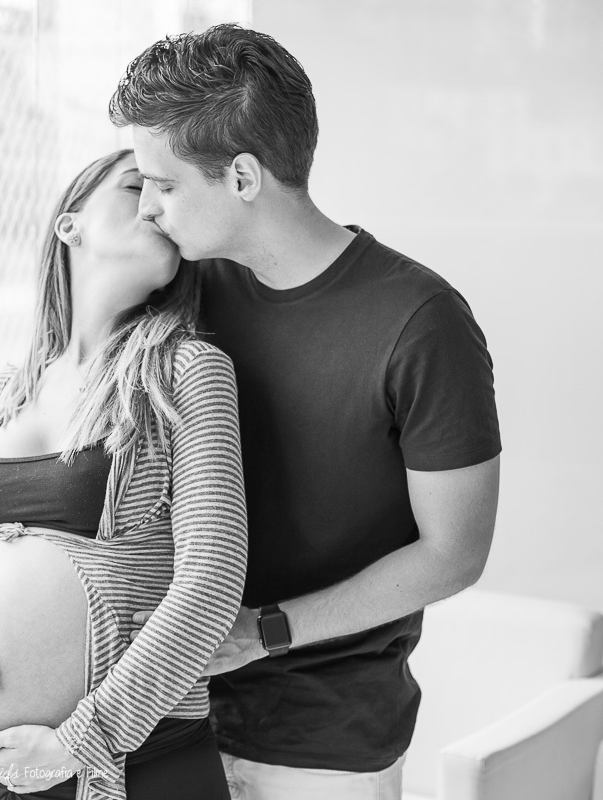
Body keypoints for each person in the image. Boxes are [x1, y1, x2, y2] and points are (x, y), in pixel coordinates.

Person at [115, 25, 502, 800]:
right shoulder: (184, 291)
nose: (148, 210)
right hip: (162, 719)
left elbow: (454, 553)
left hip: (324, 746)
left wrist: (265, 631)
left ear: (243, 177)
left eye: (163, 185)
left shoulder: (421, 322)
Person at [0, 148, 248, 800]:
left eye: (167, 191)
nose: (156, 205)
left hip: (139, 761)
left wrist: (78, 743)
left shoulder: (188, 371)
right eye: (136, 187)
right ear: (71, 225)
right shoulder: (4, 394)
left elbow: (212, 582)